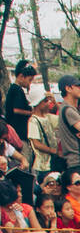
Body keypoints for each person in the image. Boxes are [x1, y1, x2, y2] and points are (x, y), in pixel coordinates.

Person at [4, 62, 36, 202]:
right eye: (29, 79)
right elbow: (16, 110)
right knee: (24, 169)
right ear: (21, 76)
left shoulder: (15, 90)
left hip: (20, 136)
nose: (29, 83)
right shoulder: (16, 90)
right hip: (19, 137)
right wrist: (31, 112)